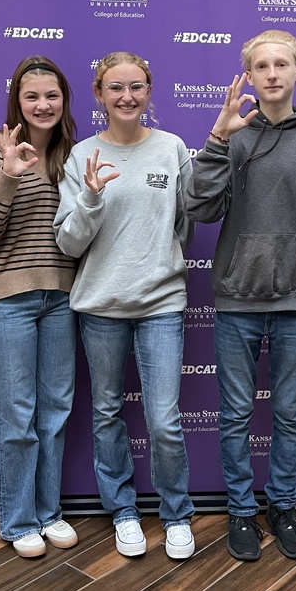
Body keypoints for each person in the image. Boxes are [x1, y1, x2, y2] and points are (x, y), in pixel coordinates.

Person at [186, 30, 296, 561]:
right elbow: (201, 208)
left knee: (289, 417)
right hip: (236, 301)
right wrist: (215, 139)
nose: (272, 73)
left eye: (282, 64)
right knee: (233, 415)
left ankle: (281, 505)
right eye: (262, 66)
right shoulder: (233, 136)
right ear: (249, 77)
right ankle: (240, 509)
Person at [54, 52, 196, 560]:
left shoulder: (173, 149)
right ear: (99, 94)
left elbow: (186, 223)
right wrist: (91, 199)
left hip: (160, 302)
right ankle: (124, 512)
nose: (127, 97)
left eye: (136, 87)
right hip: (100, 306)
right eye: (116, 88)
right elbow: (68, 243)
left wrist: (158, 259)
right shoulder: (81, 157)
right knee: (107, 411)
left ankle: (176, 514)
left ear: (149, 90)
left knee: (163, 419)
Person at [0, 56, 79, 559]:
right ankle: (17, 521)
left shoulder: (74, 154)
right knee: (17, 414)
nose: (43, 105)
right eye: (32, 96)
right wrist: (8, 177)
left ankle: (49, 511)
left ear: (64, 100)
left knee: (54, 410)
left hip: (62, 298)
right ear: (17, 100)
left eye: (51, 95)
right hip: (5, 300)